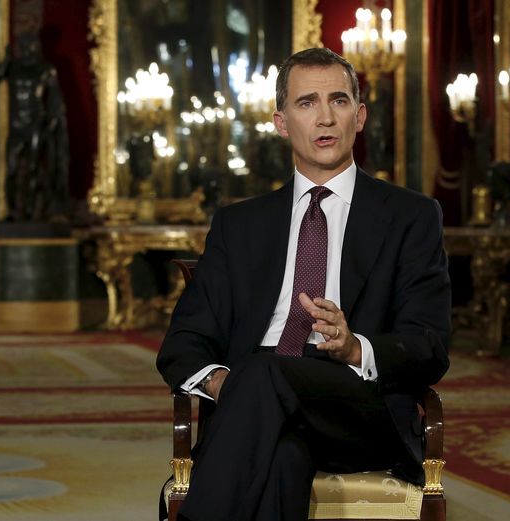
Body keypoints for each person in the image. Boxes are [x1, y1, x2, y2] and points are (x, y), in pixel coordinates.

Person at [156, 48, 451, 521]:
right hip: (253, 407)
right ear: (280, 121)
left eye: (338, 100)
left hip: (355, 411)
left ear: (360, 116)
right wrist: (223, 383)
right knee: (281, 452)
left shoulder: (410, 217)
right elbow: (182, 343)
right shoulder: (238, 225)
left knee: (264, 371)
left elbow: (431, 345)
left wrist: (355, 346)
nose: (325, 117)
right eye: (307, 102)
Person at [0, 31, 69, 222]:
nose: (26, 49)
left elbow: (56, 97)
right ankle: (14, 210)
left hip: (35, 125)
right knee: (12, 168)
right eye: (23, 45)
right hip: (16, 126)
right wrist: (5, 61)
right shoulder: (12, 67)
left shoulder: (45, 69)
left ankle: (31, 213)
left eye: (29, 45)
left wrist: (52, 120)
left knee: (33, 169)